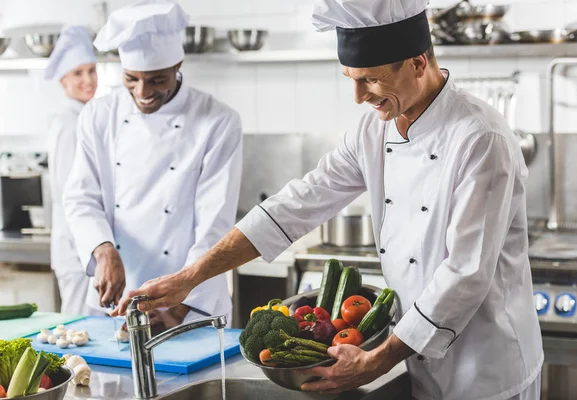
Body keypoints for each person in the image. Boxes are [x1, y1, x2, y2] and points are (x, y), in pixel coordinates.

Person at [114, 0, 543, 398]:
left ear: (418, 63)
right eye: (351, 80)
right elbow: (297, 203)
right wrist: (192, 276)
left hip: (488, 369)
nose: (359, 97)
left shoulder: (480, 139)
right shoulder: (373, 130)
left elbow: (464, 274)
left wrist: (377, 360)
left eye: (372, 79)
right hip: (417, 357)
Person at [63, 0, 242, 332]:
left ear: (178, 64)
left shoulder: (217, 120)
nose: (142, 92)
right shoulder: (98, 115)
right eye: (131, 79)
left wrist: (183, 299)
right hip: (113, 301)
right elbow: (80, 198)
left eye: (157, 80)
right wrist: (103, 250)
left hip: (191, 304)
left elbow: (214, 222)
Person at [46, 25, 99, 315]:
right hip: (77, 252)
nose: (88, 79)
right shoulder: (68, 124)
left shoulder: (86, 117)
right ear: (62, 80)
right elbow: (73, 194)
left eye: (91, 70)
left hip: (88, 251)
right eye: (78, 73)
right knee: (80, 332)